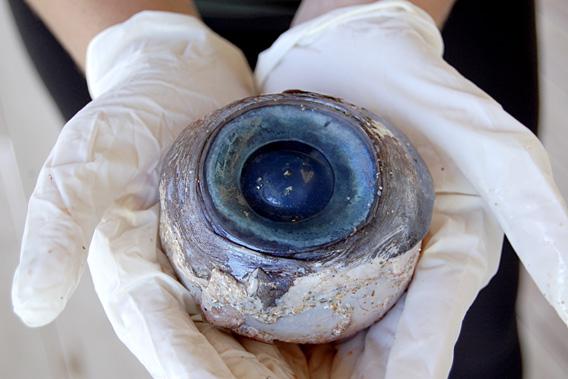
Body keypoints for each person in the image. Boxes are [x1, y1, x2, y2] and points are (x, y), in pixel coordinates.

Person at [9, 1, 567, 378]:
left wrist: (373, 7)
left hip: (416, 28)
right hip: (106, 13)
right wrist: (142, 37)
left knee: (470, 325)